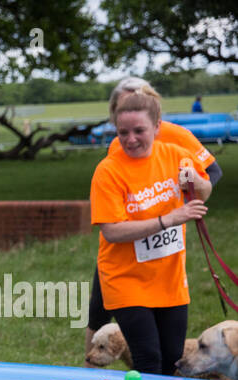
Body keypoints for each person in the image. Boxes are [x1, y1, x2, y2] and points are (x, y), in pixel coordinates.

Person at [85, 79, 221, 352]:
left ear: (155, 122)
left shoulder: (177, 146)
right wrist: (168, 219)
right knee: (132, 344)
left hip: (168, 276)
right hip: (124, 270)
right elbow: (111, 228)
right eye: (123, 130)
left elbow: (210, 178)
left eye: (139, 129)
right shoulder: (112, 161)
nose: (130, 138)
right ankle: (89, 373)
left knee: (170, 359)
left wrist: (195, 183)